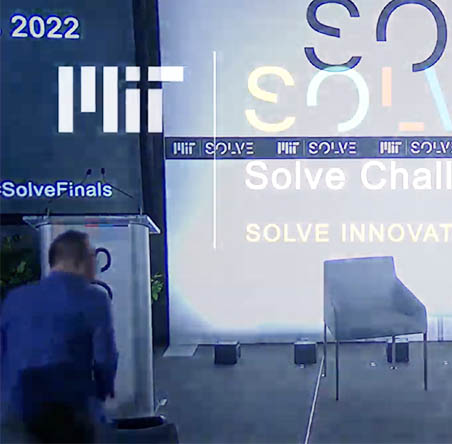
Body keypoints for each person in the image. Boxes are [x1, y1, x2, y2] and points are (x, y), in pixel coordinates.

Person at [0, 230, 118, 443]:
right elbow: (104, 358)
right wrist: (103, 390)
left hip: (14, 411)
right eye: (94, 257)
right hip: (69, 412)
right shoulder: (94, 298)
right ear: (80, 261)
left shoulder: (15, 298)